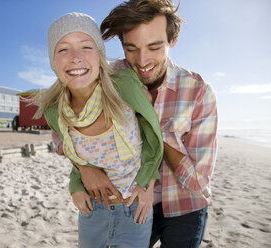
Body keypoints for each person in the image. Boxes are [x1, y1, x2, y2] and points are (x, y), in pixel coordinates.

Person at [73, 1, 218, 247]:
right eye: (131, 48)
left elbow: (197, 181)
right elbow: (62, 133)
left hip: (185, 207)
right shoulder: (107, 78)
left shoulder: (198, 91)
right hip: (128, 205)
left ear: (172, 40)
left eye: (154, 47)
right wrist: (83, 170)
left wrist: (150, 122)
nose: (142, 61)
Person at [30, 12, 163, 248]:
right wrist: (76, 186)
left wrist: (146, 183)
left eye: (86, 47)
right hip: (93, 208)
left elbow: (152, 136)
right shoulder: (54, 110)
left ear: (100, 54)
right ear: (53, 61)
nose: (76, 58)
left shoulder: (124, 85)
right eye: (63, 49)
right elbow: (73, 153)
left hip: (135, 207)